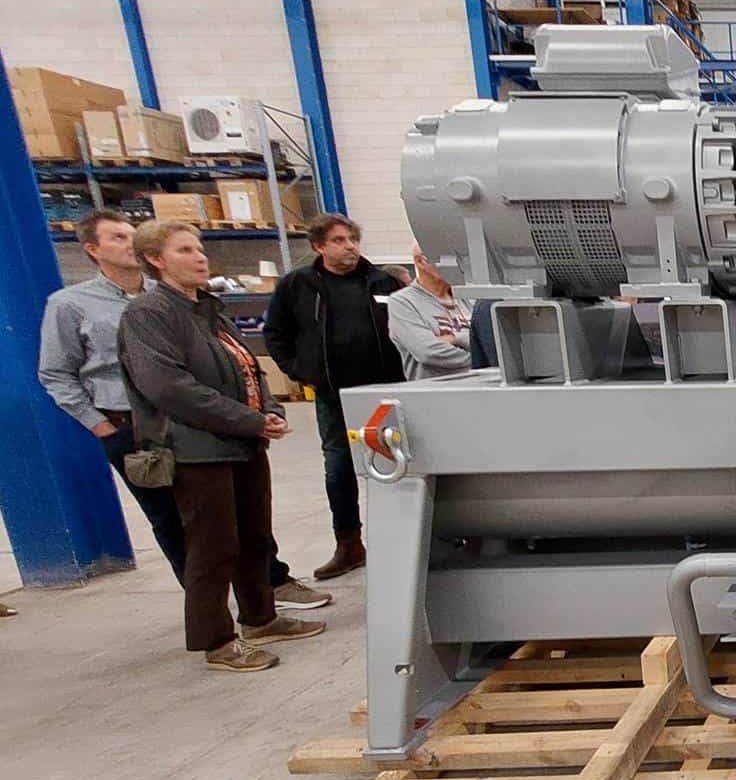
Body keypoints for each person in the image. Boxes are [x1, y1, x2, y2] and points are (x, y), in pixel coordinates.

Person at [36, 210, 330, 610]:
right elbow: (58, 372)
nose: (130, 241)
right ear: (92, 249)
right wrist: (100, 424)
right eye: (118, 237)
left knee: (240, 520)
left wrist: (260, 410)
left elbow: (238, 361)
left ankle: (267, 591)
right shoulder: (73, 305)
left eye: (132, 233)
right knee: (176, 522)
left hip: (207, 423)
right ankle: (210, 612)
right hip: (135, 426)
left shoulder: (187, 301)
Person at [119, 220, 327, 672]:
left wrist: (269, 409)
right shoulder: (148, 314)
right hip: (197, 450)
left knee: (254, 537)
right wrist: (249, 420)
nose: (199, 257)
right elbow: (169, 387)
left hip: (243, 443)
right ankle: (216, 640)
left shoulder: (209, 310)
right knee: (212, 547)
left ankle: (261, 618)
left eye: (199, 248)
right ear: (155, 259)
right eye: (185, 250)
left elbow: (249, 368)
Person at [264, 214, 407, 580]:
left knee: (396, 465)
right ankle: (349, 545)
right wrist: (300, 371)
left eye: (353, 239)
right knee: (339, 468)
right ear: (319, 246)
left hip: (386, 392)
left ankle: (403, 542)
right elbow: (276, 333)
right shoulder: (298, 286)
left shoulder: (383, 281)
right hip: (334, 395)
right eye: (340, 241)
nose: (350, 247)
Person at [385, 245, 472, 379]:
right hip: (435, 389)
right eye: (447, 259)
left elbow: (492, 343)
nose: (456, 266)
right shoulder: (402, 302)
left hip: (479, 386)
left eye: (458, 259)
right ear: (420, 262)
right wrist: (480, 359)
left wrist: (455, 338)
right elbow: (427, 352)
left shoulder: (468, 298)